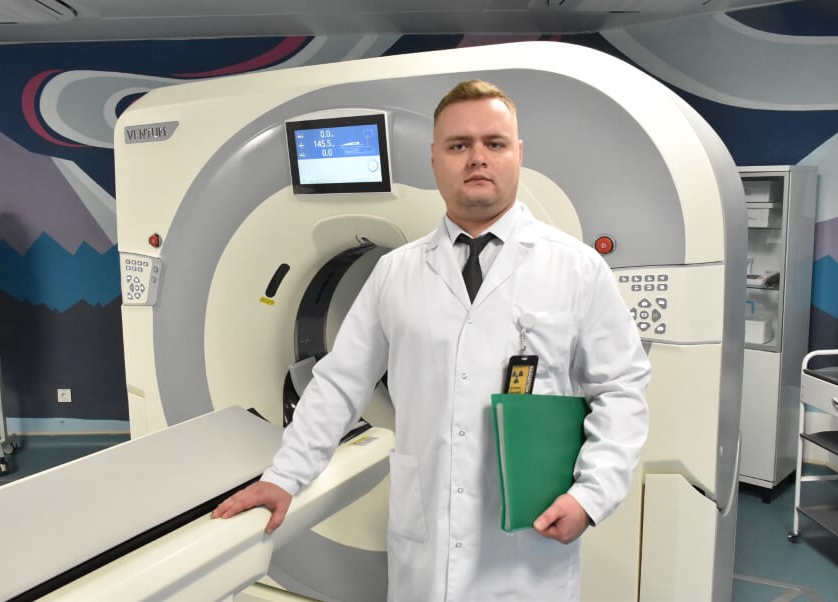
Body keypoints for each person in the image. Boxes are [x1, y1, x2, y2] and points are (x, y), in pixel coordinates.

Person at [213, 80, 650, 601]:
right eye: (459, 145)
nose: (477, 158)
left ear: (518, 155)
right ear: (434, 159)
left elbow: (621, 390)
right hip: (426, 542)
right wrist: (284, 477)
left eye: (494, 143)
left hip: (531, 541)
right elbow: (338, 383)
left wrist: (591, 496)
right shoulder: (395, 273)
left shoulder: (576, 268)